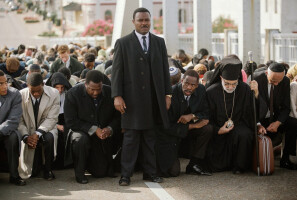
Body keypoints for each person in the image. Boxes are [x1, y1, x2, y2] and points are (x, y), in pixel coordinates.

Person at [111, 7, 172, 186]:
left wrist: (167, 94)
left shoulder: (159, 42)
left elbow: (164, 72)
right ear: (134, 22)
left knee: (150, 138)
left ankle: (150, 173)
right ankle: (126, 175)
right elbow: (117, 73)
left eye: (147, 20)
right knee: (130, 139)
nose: (144, 23)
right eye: (141, 20)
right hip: (131, 100)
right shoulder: (123, 43)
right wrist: (117, 96)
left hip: (154, 100)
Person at [206, 57, 267, 173]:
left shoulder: (244, 89)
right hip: (218, 127)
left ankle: (240, 167)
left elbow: (254, 112)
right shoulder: (211, 92)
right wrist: (218, 129)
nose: (230, 87)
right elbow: (205, 116)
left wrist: (256, 94)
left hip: (238, 123)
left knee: (245, 134)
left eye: (234, 84)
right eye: (227, 83)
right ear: (221, 78)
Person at [64, 70, 120, 184]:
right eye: (92, 89)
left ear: (102, 85)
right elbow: (71, 121)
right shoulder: (72, 94)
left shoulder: (110, 92)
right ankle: (79, 173)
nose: (95, 93)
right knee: (80, 139)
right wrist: (94, 129)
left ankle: (91, 163)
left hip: (102, 136)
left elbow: (118, 117)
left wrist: (110, 129)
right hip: (81, 131)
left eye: (98, 89)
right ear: (85, 84)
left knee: (100, 173)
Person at [156, 69, 214, 177]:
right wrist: (192, 125)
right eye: (186, 83)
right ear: (181, 80)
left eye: (193, 85)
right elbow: (166, 126)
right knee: (173, 172)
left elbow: (205, 114)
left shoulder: (201, 90)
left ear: (197, 85)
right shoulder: (171, 94)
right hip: (171, 135)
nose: (189, 88)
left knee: (207, 129)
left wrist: (191, 116)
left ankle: (194, 164)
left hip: (188, 130)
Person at [254, 63, 297, 170]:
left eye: (279, 81)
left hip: (275, 117)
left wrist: (278, 122)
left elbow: (286, 107)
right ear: (266, 73)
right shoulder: (256, 79)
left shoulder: (285, 81)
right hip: (259, 117)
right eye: (273, 81)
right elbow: (250, 107)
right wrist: (258, 124)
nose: (276, 83)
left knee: (294, 124)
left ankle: (286, 159)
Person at [18, 73, 60, 180]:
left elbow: (52, 118)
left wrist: (38, 133)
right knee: (33, 173)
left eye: (39, 91)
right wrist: (26, 137)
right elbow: (19, 121)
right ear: (27, 86)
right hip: (28, 131)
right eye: (33, 91)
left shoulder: (54, 93)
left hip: (47, 129)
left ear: (43, 84)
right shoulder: (20, 95)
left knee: (49, 138)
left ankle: (48, 169)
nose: (36, 94)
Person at [0, 70, 26, 186]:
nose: (5, 86)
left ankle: (14, 175)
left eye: (6, 82)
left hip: (7, 130)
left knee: (13, 138)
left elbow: (13, 120)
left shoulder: (15, 94)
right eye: (0, 84)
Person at [46, 72, 72, 169]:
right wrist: (56, 125)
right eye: (57, 87)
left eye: (62, 87)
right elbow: (44, 116)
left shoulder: (68, 94)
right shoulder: (47, 95)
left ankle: (67, 163)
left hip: (66, 120)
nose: (60, 90)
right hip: (50, 122)